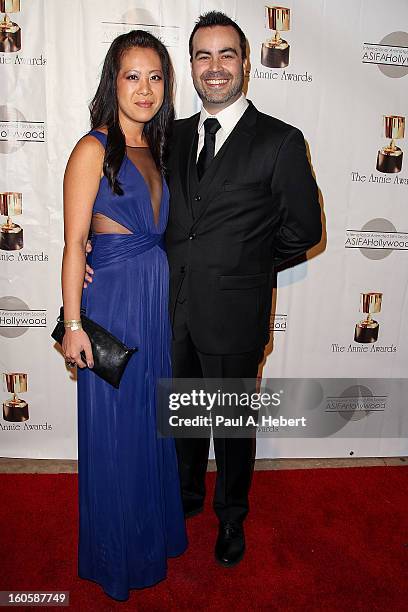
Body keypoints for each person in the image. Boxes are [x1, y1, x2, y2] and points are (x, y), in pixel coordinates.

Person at [85, 12, 322, 569]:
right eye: (202, 57)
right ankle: (187, 494)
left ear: (245, 64)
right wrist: (97, 253)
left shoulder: (280, 141)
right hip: (167, 308)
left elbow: (305, 231)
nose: (215, 68)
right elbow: (145, 211)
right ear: (191, 66)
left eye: (226, 55)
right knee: (184, 414)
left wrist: (247, 263)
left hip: (235, 311)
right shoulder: (173, 135)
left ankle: (231, 516)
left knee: (232, 426)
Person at [61, 30, 187, 601]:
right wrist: (74, 326)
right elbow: (73, 244)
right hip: (110, 306)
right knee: (115, 432)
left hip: (153, 306)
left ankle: (148, 535)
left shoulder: (157, 150)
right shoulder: (92, 148)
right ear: (113, 81)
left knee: (146, 426)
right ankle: (116, 557)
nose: (145, 88)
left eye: (155, 76)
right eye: (132, 75)